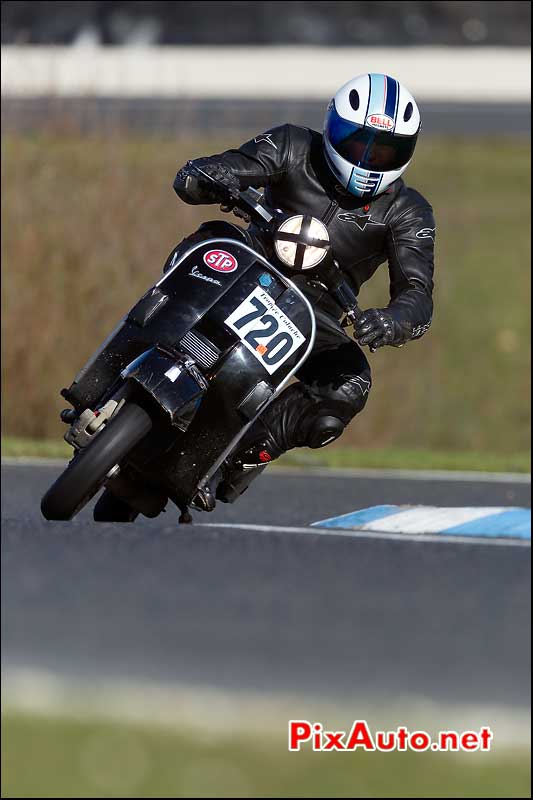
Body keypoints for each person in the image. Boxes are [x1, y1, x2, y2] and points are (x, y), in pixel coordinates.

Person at [172, 73, 436, 509]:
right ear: (332, 127)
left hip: (315, 313)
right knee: (207, 242)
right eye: (357, 142)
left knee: (350, 384)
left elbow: (418, 293)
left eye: (384, 150)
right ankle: (141, 347)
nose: (368, 157)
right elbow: (220, 169)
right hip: (247, 262)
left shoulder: (409, 212)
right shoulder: (292, 144)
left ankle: (240, 455)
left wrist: (392, 321)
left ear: (406, 153)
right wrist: (209, 175)